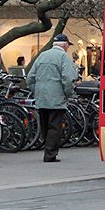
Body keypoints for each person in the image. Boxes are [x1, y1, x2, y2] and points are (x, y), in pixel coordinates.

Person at [27, 33, 79, 162]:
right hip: (56, 97)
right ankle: (50, 154)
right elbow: (68, 79)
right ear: (65, 45)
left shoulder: (42, 56)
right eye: (68, 45)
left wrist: (36, 91)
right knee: (55, 126)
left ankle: (47, 149)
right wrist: (68, 94)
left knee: (45, 125)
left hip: (41, 97)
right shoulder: (63, 57)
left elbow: (30, 78)